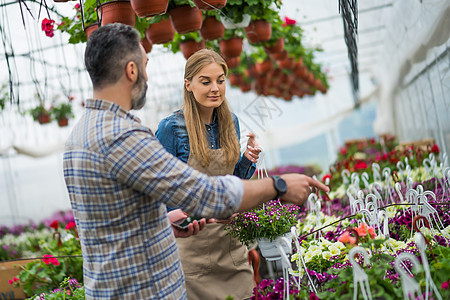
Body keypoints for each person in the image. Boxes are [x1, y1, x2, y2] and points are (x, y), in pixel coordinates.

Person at [62, 23, 329, 300]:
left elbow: (121, 219)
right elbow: (203, 194)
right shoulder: (125, 135)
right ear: (132, 70)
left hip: (117, 285)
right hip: (147, 287)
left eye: (220, 80)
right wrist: (279, 185)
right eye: (145, 64)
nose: (215, 88)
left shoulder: (78, 137)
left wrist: (167, 219)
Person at [155, 48, 261, 300]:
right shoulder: (171, 128)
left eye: (220, 81)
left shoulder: (230, 122)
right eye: (206, 81)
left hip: (230, 244)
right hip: (191, 250)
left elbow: (231, 182)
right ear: (188, 84)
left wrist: (246, 161)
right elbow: (160, 193)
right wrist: (197, 214)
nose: (215, 88)